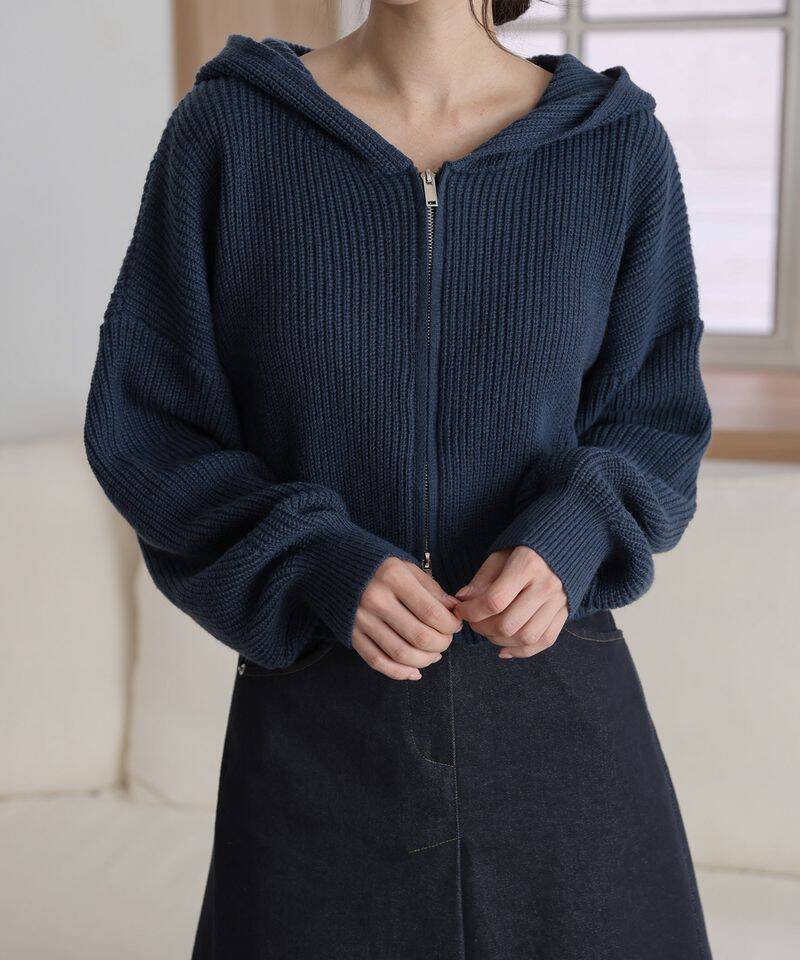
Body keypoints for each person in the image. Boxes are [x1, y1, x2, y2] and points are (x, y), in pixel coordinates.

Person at [83, 1, 714, 957]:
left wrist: (573, 534)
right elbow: (149, 425)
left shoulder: (615, 149)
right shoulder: (229, 134)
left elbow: (656, 416)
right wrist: (314, 556)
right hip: (317, 739)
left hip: (562, 742)